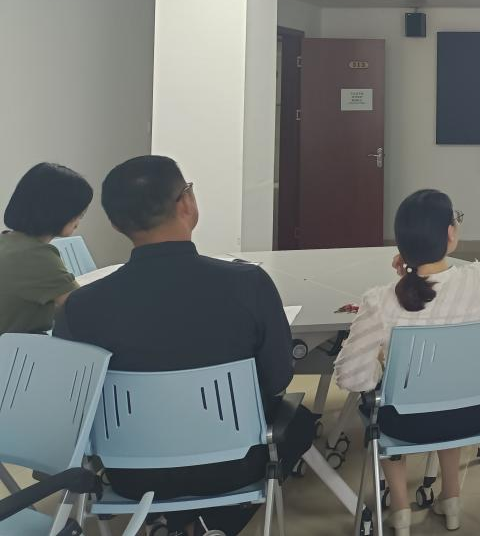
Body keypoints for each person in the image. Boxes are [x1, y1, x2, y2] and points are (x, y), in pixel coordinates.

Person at [55, 156, 316, 536]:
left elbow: (74, 405)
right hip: (234, 465)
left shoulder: (80, 307)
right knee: (301, 422)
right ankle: (210, 524)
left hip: (130, 475)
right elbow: (277, 379)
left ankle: (175, 522)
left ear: (115, 224)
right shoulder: (249, 284)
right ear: (187, 203)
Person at [335, 189, 480, 536]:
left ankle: (400, 509)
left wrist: (382, 366)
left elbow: (351, 377)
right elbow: (442, 286)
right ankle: (451, 498)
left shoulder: (381, 300)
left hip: (405, 423)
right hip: (471, 414)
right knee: (449, 385)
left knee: (388, 395)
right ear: (450, 234)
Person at [0, 162, 92, 334]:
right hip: (16, 349)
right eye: (79, 213)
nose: (78, 220)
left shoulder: (7, 241)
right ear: (58, 212)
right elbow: (83, 309)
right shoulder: (36, 256)